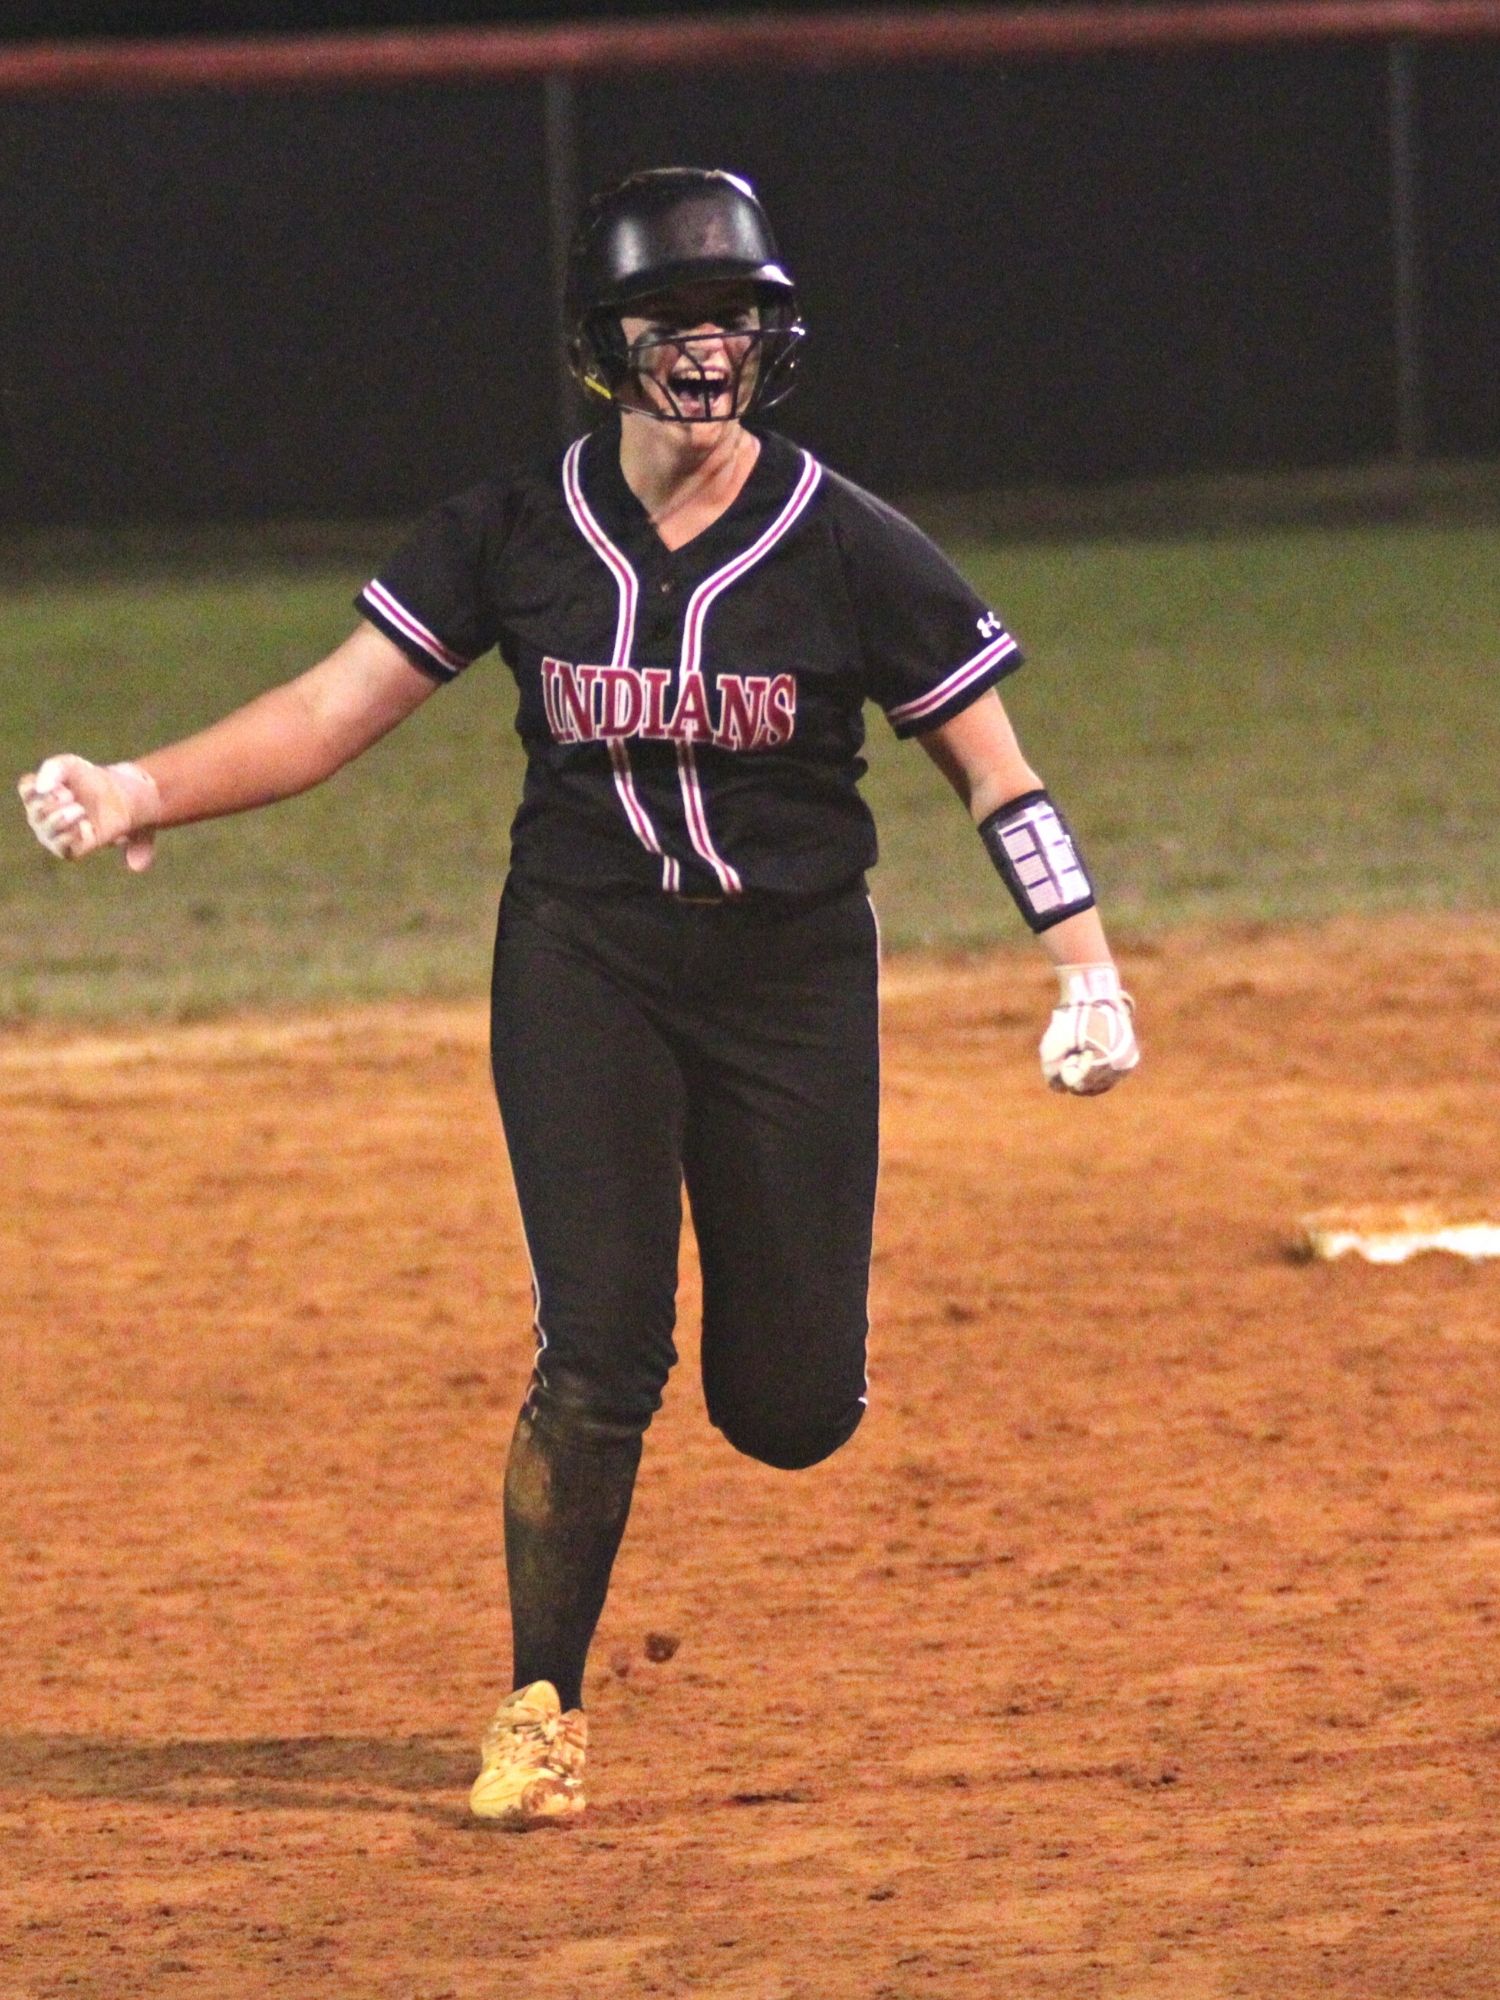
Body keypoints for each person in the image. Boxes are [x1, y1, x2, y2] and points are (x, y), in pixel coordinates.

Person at [18, 167, 1139, 1830]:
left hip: (792, 982)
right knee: (600, 1352)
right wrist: (139, 788)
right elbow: (331, 712)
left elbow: (999, 775)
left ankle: (803, 1340)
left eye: (739, 317)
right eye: (675, 319)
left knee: (791, 1410)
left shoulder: (845, 540)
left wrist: (1088, 969)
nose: (711, 348)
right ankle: (541, 1704)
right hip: (583, 962)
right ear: (604, 344)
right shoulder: (514, 529)